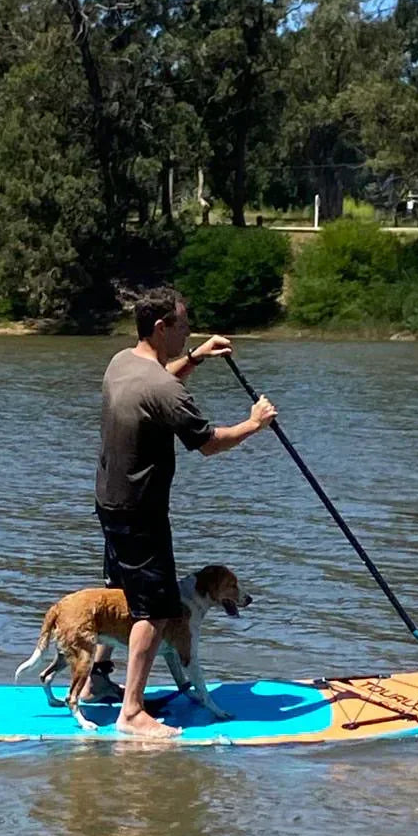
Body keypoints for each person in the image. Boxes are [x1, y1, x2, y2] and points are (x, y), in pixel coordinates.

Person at [93, 285, 277, 738]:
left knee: (121, 589)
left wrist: (195, 357)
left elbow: (160, 390)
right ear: (162, 327)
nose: (189, 329)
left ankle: (99, 678)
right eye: (183, 324)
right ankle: (132, 713)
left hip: (109, 500)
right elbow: (210, 444)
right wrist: (255, 423)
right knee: (154, 610)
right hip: (141, 511)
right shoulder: (162, 387)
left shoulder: (123, 362)